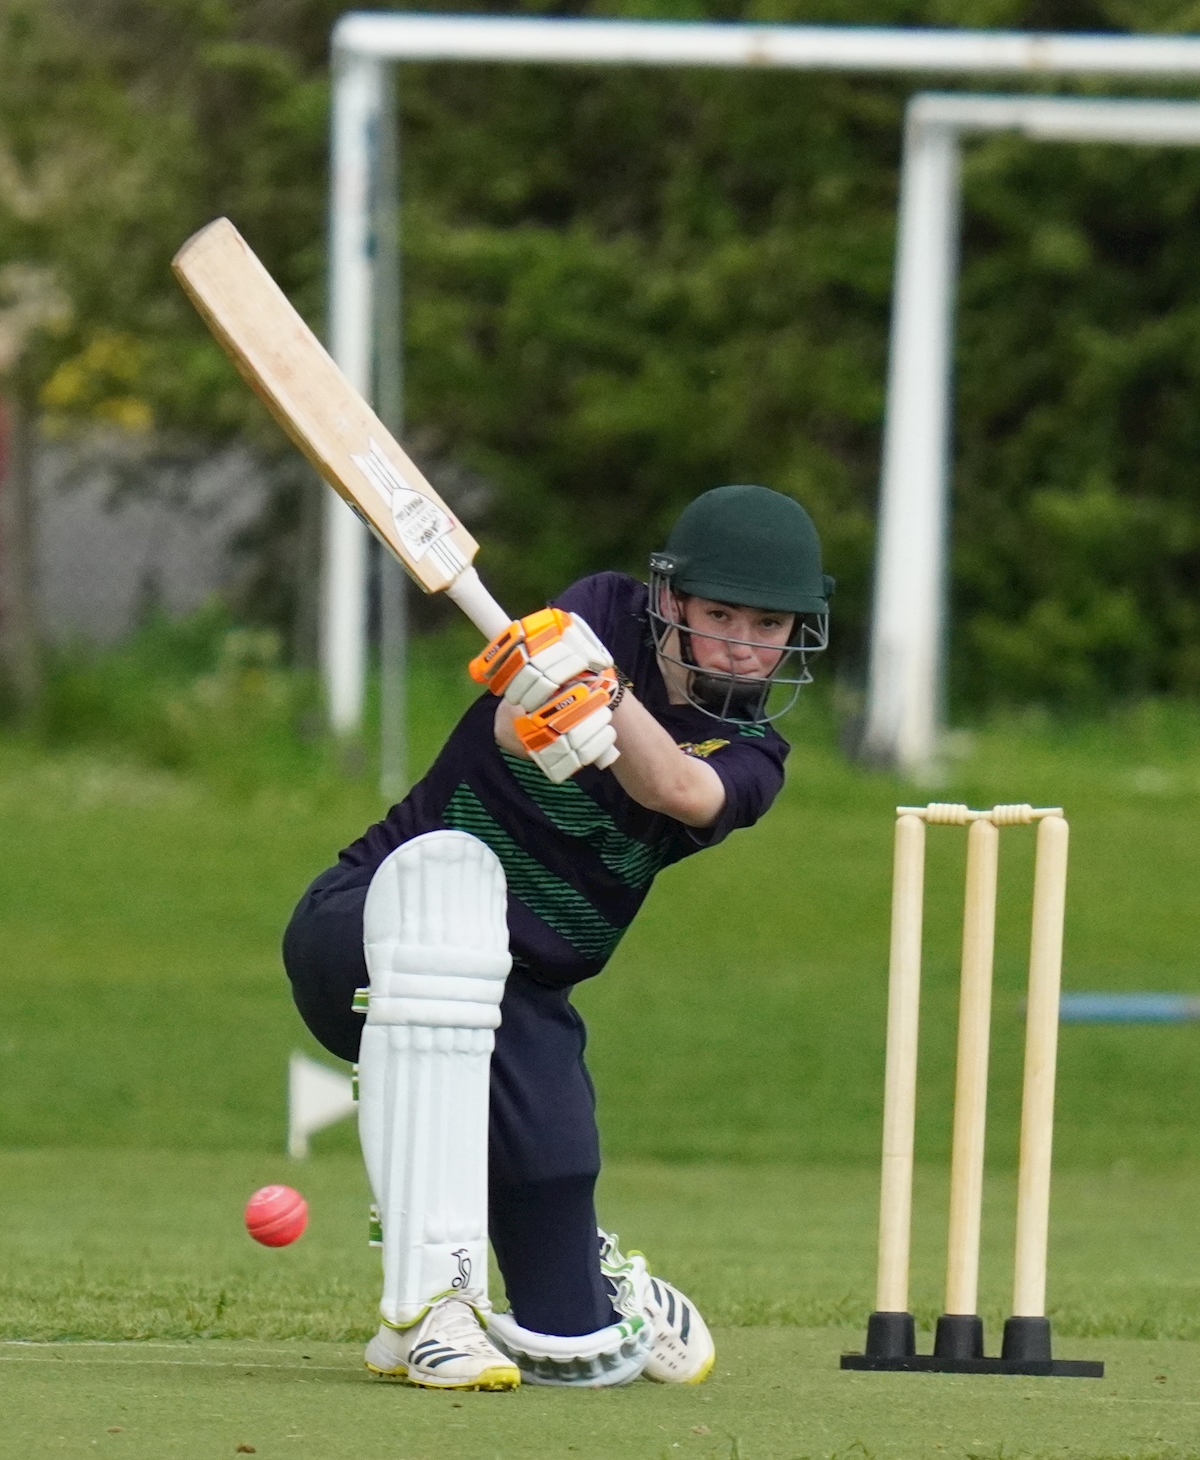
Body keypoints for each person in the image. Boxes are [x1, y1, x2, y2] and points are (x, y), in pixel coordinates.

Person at [282, 485, 831, 1390]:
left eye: (767, 624)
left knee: (572, 1333)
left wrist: (601, 702)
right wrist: (554, 693)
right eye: (720, 614)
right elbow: (510, 724)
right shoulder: (603, 610)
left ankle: (597, 1277)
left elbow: (682, 794)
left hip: (523, 993)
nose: (741, 642)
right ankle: (431, 1307)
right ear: (671, 603)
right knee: (440, 988)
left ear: (796, 633)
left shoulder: (754, 754)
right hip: (368, 920)